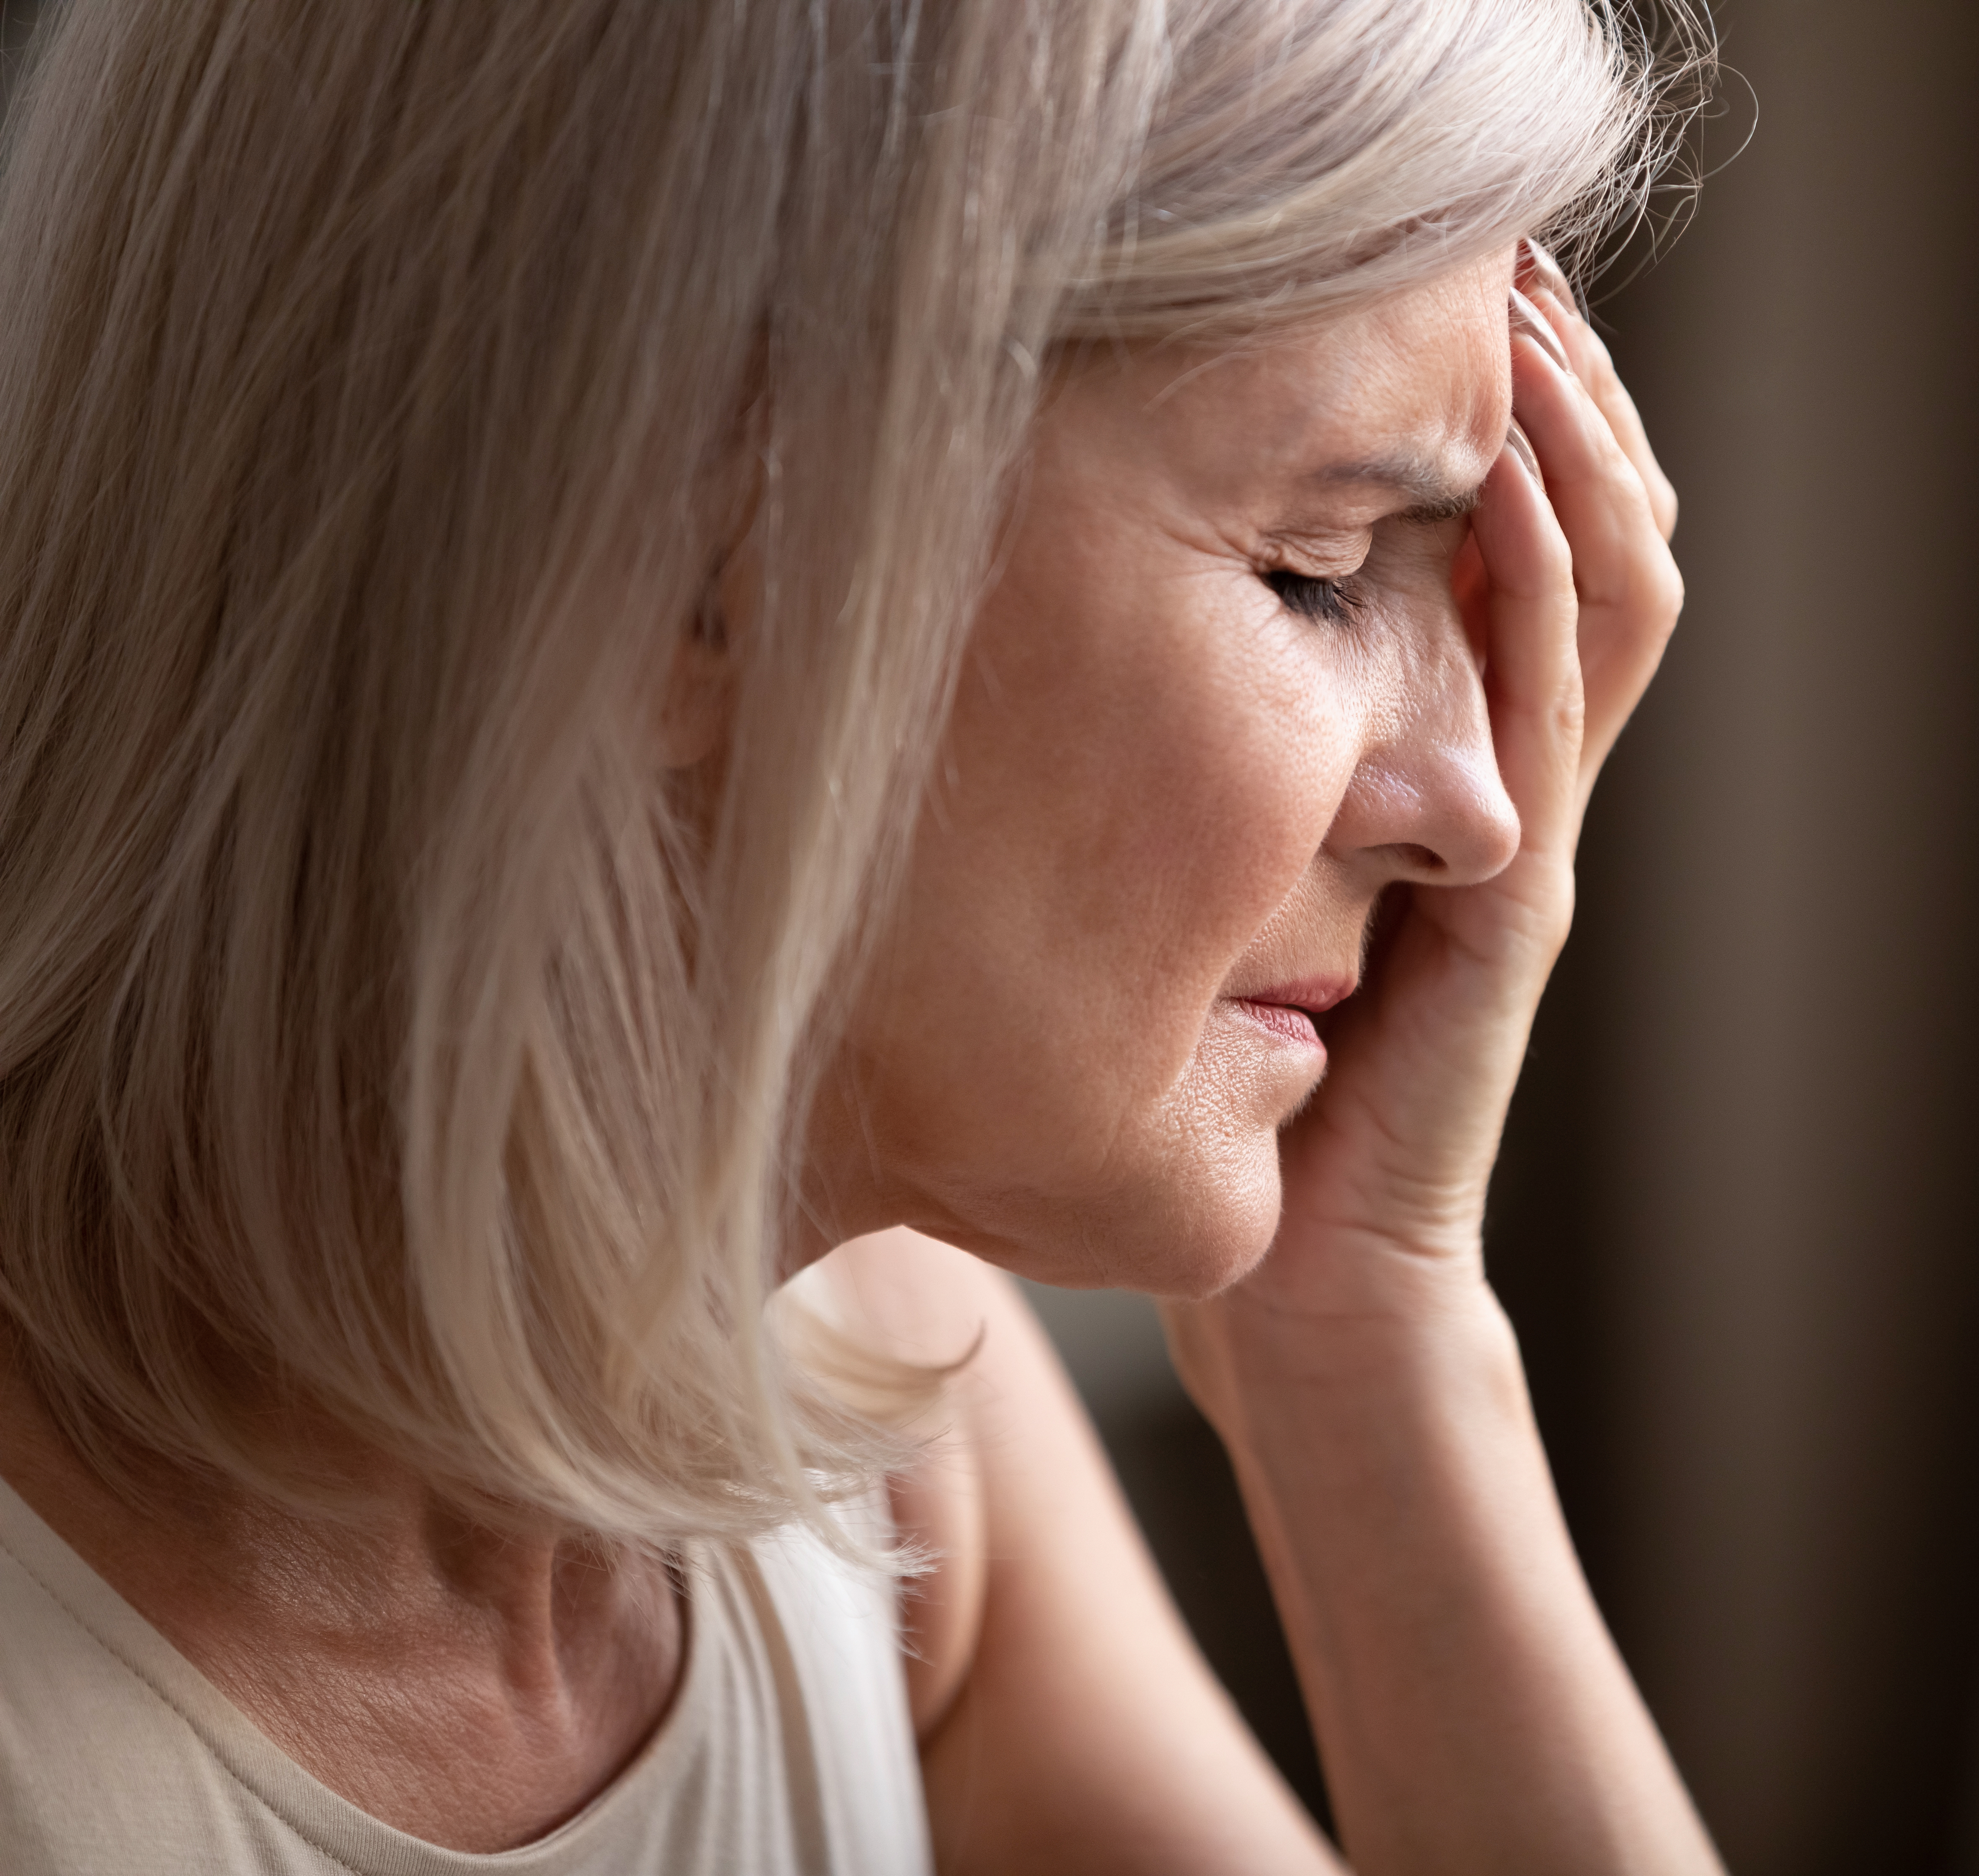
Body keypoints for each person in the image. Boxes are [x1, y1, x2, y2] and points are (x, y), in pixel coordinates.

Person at [0, 0, 1717, 1869]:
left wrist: (1366, 1317)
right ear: (685, 549)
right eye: (1318, 571)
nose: (1482, 812)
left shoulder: (876, 1416)